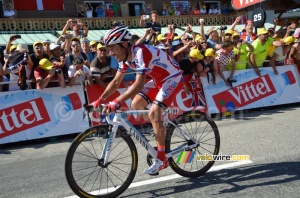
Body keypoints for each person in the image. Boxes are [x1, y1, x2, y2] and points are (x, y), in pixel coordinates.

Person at [92, 25, 184, 175]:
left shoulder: (140, 52)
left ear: (125, 44)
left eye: (113, 48)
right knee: (136, 104)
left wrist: (116, 101)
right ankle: (161, 128)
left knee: (154, 113)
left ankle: (162, 158)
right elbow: (115, 82)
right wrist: (99, 100)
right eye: (108, 49)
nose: (111, 52)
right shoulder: (124, 59)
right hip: (158, 81)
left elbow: (139, 83)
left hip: (172, 78)